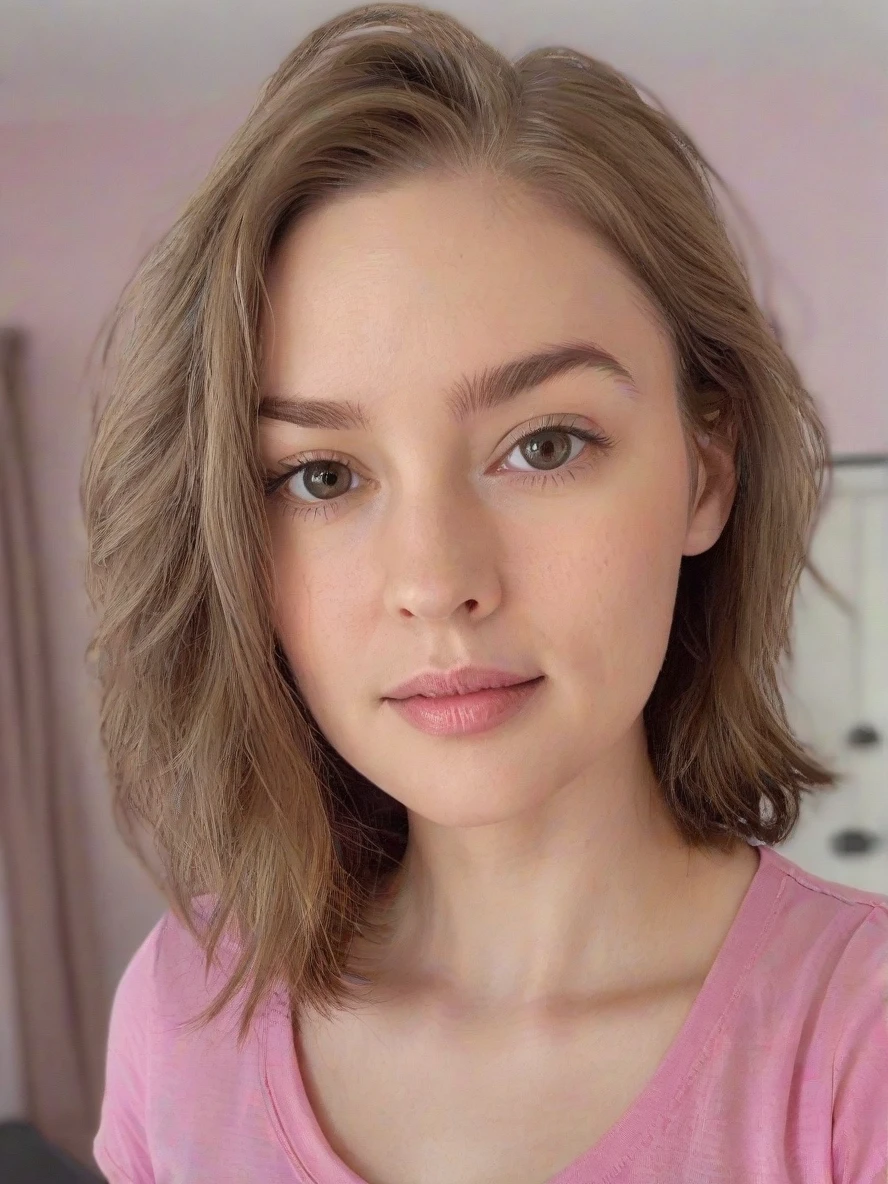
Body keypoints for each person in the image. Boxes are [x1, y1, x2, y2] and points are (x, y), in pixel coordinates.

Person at [84, 4, 888, 1181]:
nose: (436, 582)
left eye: (545, 445)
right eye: (321, 475)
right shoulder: (186, 1006)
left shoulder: (857, 1049)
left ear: (705, 469)